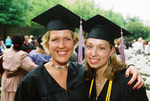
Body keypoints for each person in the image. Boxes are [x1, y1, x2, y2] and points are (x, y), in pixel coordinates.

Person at [14, 5, 144, 101]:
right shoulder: (31, 82)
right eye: (55, 39)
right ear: (47, 44)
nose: (61, 45)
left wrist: (130, 67)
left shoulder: (83, 73)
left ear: (74, 42)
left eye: (67, 39)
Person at [83, 15, 148, 101]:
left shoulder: (130, 83)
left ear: (111, 51)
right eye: (89, 46)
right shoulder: (84, 78)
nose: (93, 53)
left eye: (101, 48)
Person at [1, 34, 37, 101]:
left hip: (5, 79)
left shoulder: (6, 52)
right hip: (16, 82)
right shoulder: (22, 55)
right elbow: (33, 68)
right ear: (23, 43)